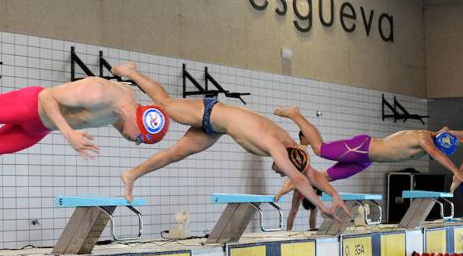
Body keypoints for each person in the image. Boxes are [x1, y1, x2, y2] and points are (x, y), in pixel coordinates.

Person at [0, 44, 169, 206]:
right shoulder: (98, 92)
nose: (134, 142)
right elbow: (47, 96)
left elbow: (161, 97)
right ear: (139, 121)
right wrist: (69, 134)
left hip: (39, 128)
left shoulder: (126, 110)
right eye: (139, 139)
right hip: (29, 106)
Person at [110, 62, 347, 220]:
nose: (279, 172)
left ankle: (131, 175)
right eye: (281, 170)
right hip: (210, 112)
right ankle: (130, 71)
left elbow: (312, 174)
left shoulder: (292, 149)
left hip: (214, 129)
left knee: (174, 154)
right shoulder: (276, 145)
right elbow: (298, 177)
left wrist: (334, 194)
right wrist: (322, 207)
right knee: (162, 102)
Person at [273, 106, 463, 197]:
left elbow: (452, 138)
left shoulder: (441, 136)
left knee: (325, 178)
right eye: (437, 147)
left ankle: (292, 184)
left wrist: (459, 173)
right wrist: (456, 172)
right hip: (361, 148)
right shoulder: (423, 138)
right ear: (438, 141)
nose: (435, 150)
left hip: (365, 160)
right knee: (319, 149)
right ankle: (295, 114)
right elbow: (437, 154)